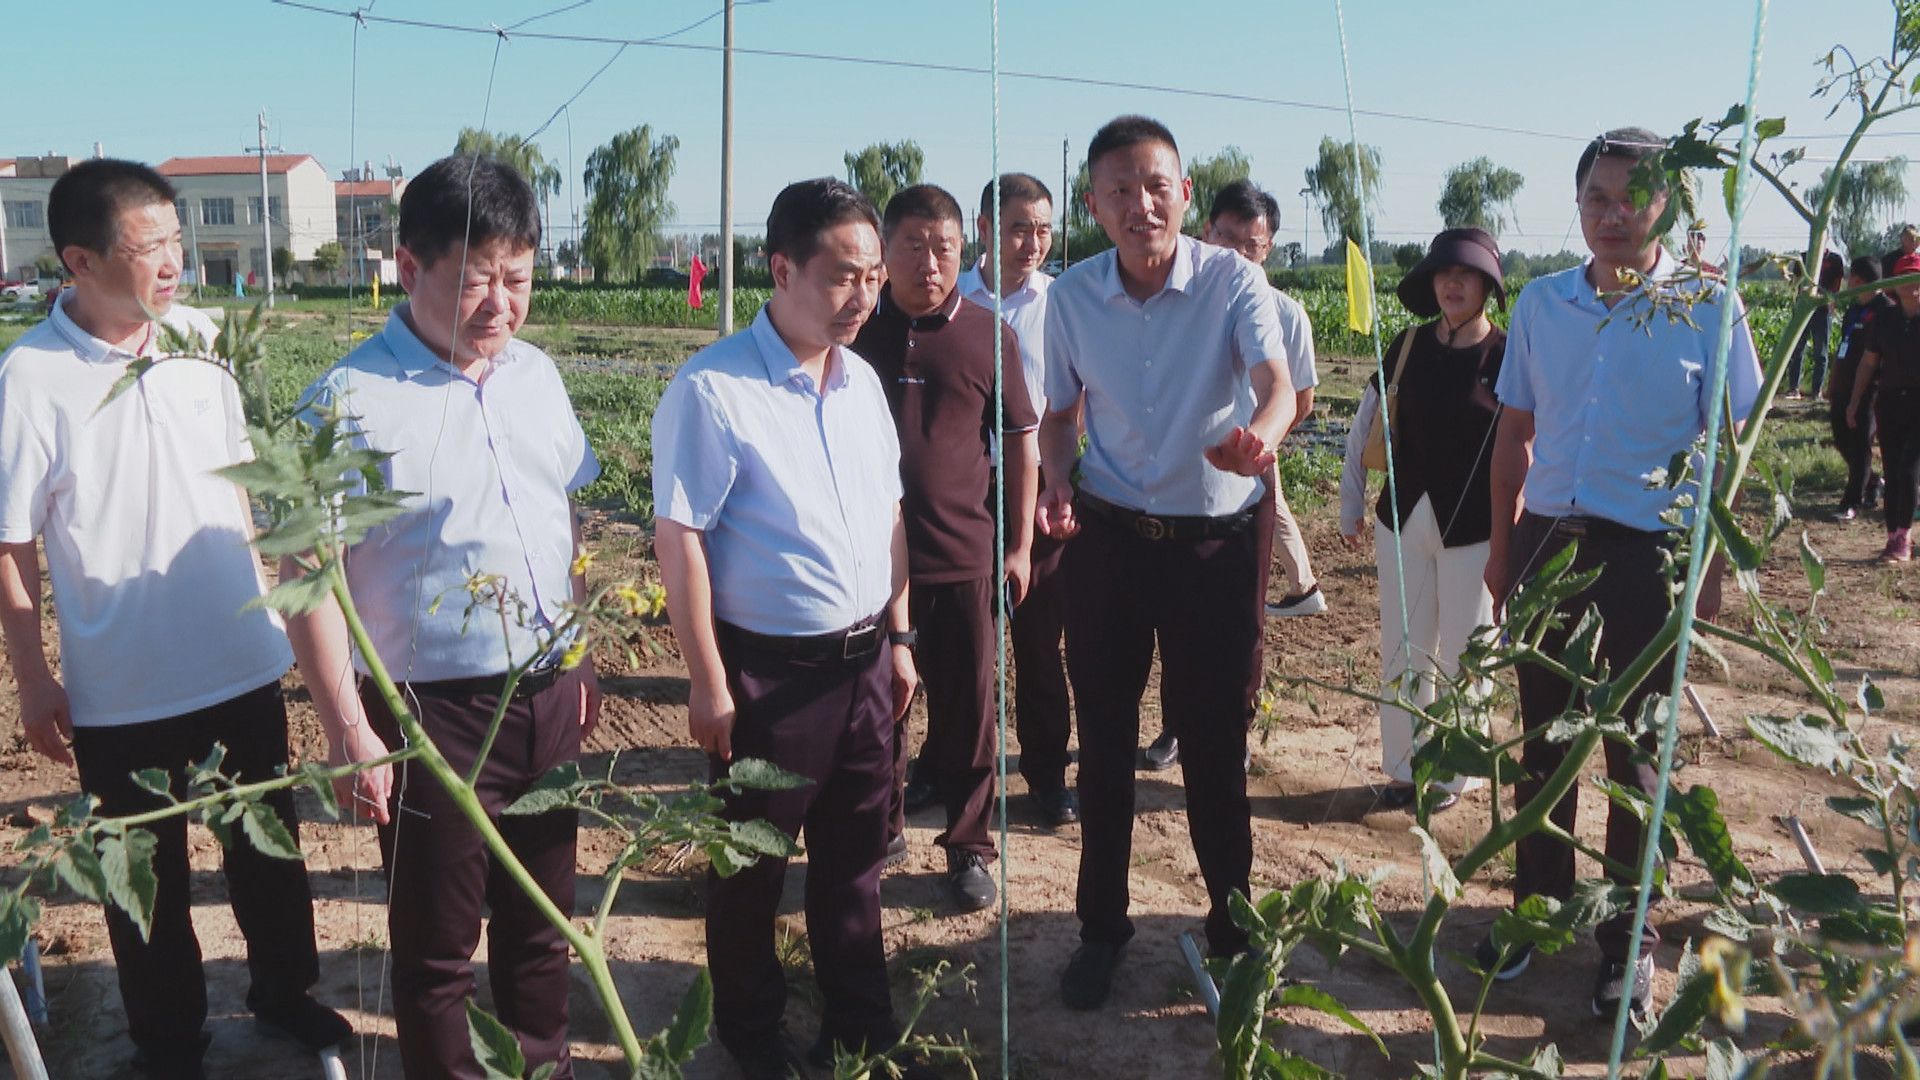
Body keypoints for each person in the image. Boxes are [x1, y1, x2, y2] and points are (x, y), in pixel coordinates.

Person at [0, 159, 350, 1080]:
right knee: (140, 880)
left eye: (176, 241)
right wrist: (35, 677)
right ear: (79, 259)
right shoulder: (30, 378)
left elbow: (250, 488)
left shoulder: (203, 340)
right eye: (148, 246)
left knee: (267, 852)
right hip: (122, 688)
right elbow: (10, 542)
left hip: (240, 657)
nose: (172, 262)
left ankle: (284, 992)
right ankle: (167, 1039)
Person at [286, 154, 601, 1078]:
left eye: (519, 279)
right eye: (475, 281)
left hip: (546, 695)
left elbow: (566, 518)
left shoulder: (536, 376)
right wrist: (348, 728)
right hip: (430, 719)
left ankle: (541, 1066)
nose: (500, 304)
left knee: (545, 927)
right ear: (408, 265)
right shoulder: (345, 403)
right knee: (436, 951)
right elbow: (309, 570)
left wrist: (579, 654)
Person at [1484, 127, 1761, 1021]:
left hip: (1649, 555)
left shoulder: (1711, 308)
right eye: (1596, 198)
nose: (1612, 216)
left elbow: (1731, 448)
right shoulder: (1540, 304)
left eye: (1632, 198)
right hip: (1547, 546)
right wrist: (1501, 545)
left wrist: (1709, 566)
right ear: (1577, 207)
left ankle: (1629, 945)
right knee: (1544, 740)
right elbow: (1516, 434)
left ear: (1669, 206)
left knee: (1638, 753)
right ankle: (1536, 913)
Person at [652, 178, 927, 1078]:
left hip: (863, 668)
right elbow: (682, 537)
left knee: (856, 863)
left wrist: (899, 634)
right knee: (750, 870)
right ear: (782, 269)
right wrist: (707, 679)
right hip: (768, 676)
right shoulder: (716, 388)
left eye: (873, 277)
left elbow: (890, 510)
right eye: (844, 276)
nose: (864, 296)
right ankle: (752, 1033)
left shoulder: (863, 383)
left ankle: (857, 1026)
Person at [1039, 116, 1296, 1009]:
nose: (1140, 204)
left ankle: (1233, 930)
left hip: (1212, 547)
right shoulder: (1069, 298)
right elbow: (1062, 415)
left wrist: (1259, 443)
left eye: (1157, 186)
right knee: (1103, 746)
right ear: (1093, 204)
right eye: (1119, 190)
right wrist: (1054, 479)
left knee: (1214, 748)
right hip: (1109, 543)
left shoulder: (1233, 281)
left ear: (1185, 194)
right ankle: (1101, 931)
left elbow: (1277, 388)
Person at [855, 183, 1038, 912]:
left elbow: (1023, 445)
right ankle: (882, 827)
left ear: (965, 251)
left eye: (946, 249)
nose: (930, 264)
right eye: (913, 247)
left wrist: (1018, 544)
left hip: (965, 555)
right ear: (885, 252)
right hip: (868, 562)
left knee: (969, 714)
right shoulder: (856, 332)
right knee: (877, 710)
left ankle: (968, 846)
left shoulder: (990, 334)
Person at [1139, 178, 1324, 773]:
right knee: (1173, 606)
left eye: (1254, 243)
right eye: (1227, 238)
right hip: (1176, 477)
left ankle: (1235, 727)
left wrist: (1259, 448)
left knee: (1243, 616)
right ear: (1204, 232)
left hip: (1249, 480)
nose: (1240, 253)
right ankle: (1176, 726)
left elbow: (1301, 398)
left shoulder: (1288, 316)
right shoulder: (1179, 303)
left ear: (1268, 248)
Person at [1339, 228, 1507, 813]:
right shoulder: (1406, 345)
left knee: (1468, 649)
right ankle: (1405, 768)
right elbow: (1366, 425)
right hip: (1402, 521)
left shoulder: (1507, 355)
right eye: (1443, 274)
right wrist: (1350, 504)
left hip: (1478, 532)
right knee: (1404, 646)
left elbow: (1527, 443)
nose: (1452, 284)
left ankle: (1455, 773)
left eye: (1465, 274)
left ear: (1488, 285)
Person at [955, 172, 1081, 829]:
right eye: (1018, 228)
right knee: (959, 643)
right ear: (984, 229)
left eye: (1042, 230)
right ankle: (947, 765)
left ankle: (1046, 775)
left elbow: (1081, 393)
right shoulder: (952, 300)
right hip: (964, 487)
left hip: (1040, 485)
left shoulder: (1063, 302)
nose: (1032, 243)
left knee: (1039, 642)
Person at [1846, 251, 1920, 563]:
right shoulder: (1886, 319)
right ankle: (1892, 536)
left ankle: (1904, 535)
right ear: (1896, 283)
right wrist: (1854, 401)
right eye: (1907, 277)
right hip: (1890, 402)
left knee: (1908, 469)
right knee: (1892, 469)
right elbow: (1869, 361)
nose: (1912, 285)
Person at [1829, 256, 1892, 520]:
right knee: (1842, 438)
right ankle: (1873, 482)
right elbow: (1843, 346)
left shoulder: (1885, 311)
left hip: (1870, 389)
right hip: (1843, 386)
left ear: (1858, 280)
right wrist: (1832, 381)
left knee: (1860, 443)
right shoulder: (1853, 309)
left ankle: (1850, 503)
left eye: (1851, 279)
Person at [1786, 252, 1845, 399]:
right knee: (1797, 348)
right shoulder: (1803, 257)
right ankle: (1794, 389)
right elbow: (1796, 282)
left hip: (1824, 310)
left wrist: (1828, 299)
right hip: (1803, 308)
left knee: (1821, 352)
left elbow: (1837, 285)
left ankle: (1816, 391)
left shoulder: (1835, 260)